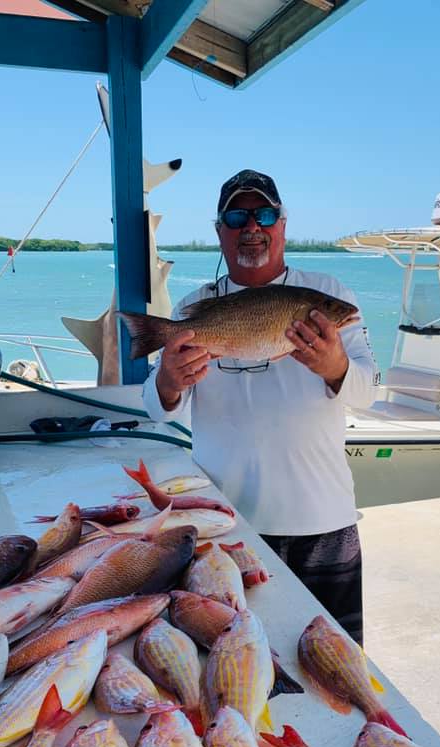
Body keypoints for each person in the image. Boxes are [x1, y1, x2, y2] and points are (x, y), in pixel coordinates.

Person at [142, 170, 376, 645]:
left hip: (321, 521)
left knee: (333, 662)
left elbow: (368, 393)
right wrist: (168, 380)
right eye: (237, 216)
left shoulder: (328, 296)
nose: (252, 225)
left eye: (265, 214)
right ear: (220, 231)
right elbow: (158, 407)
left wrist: (335, 366)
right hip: (227, 524)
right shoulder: (195, 307)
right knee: (235, 658)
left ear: (283, 224)